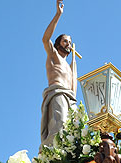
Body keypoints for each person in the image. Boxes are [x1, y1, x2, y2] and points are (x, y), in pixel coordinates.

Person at [40, 0, 77, 150]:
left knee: (74, 131)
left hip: (70, 98)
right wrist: (58, 15)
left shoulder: (70, 66)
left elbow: (74, 87)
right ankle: (51, 157)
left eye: (70, 42)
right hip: (58, 94)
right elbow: (45, 39)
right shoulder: (54, 56)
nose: (68, 44)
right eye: (65, 41)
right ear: (58, 44)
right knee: (59, 125)